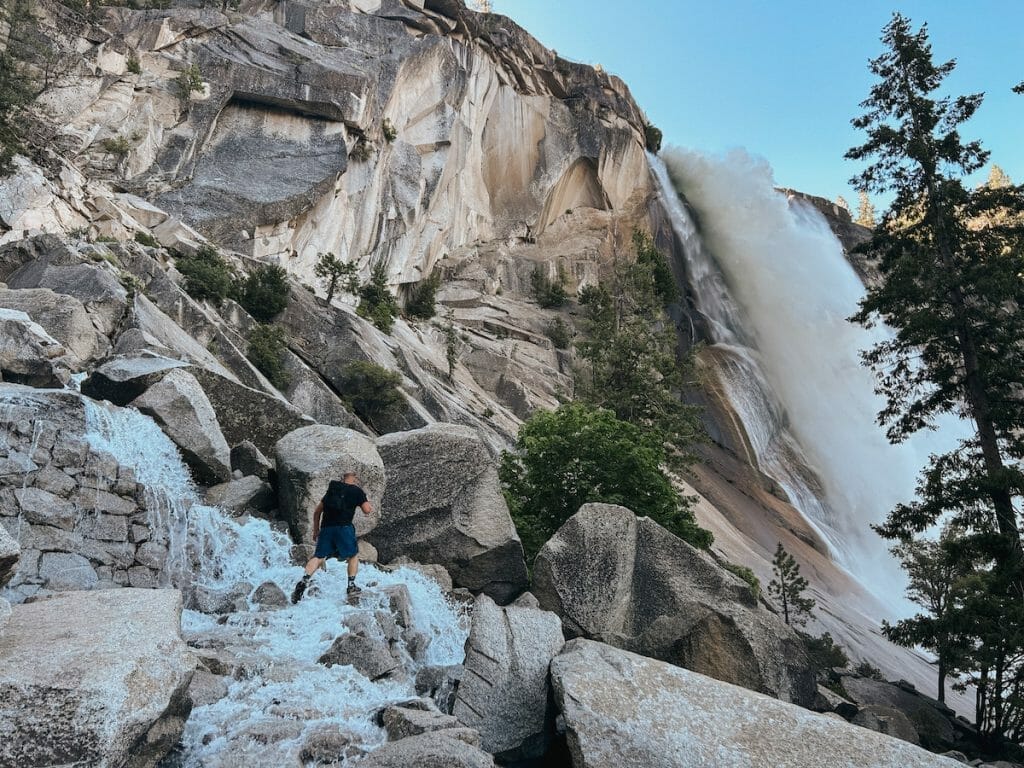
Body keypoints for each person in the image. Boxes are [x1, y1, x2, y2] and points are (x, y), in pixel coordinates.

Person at [291, 472, 373, 603]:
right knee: (353, 555)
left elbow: (317, 511)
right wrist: (366, 502)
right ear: (355, 478)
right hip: (344, 528)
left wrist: (316, 530)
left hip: (326, 528)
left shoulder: (333, 490)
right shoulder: (357, 491)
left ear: (342, 478)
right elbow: (367, 510)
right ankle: (351, 586)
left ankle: (304, 580)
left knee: (318, 557)